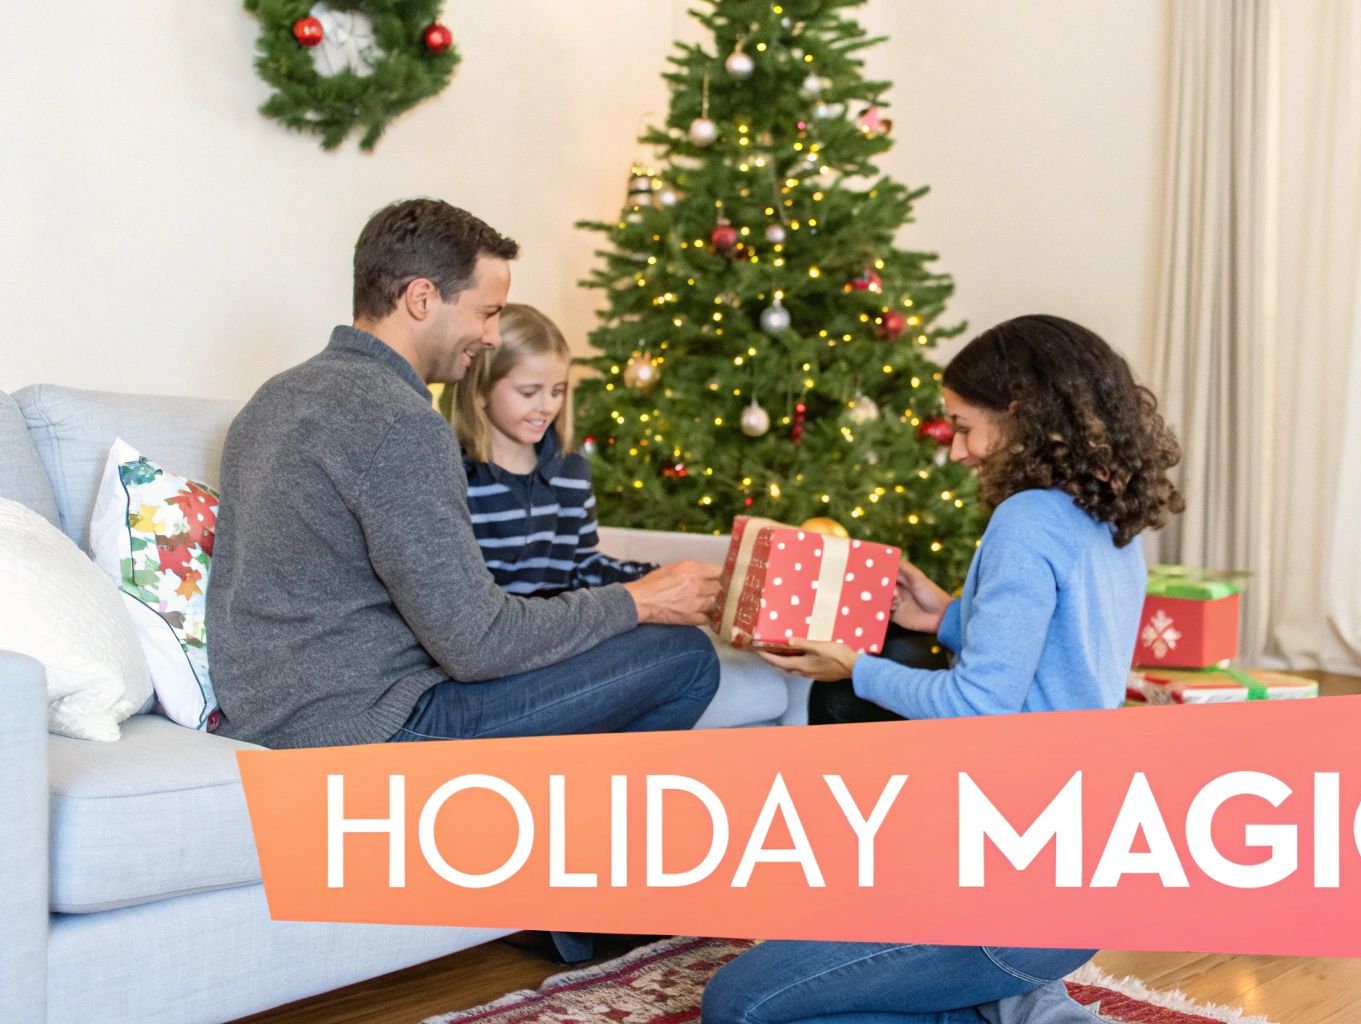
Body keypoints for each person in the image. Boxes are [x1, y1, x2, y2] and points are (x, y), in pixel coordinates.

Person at [701, 314, 1185, 1024]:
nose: (955, 449)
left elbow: (980, 703)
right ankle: (1013, 1001)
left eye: (963, 426)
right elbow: (1066, 653)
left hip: (1017, 894)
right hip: (1084, 874)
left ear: (1021, 417)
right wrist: (945, 617)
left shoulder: (1023, 520)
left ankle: (1007, 994)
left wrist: (853, 666)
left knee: (739, 1005)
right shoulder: (1103, 513)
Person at [208, 198, 725, 752]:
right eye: (486, 311)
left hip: (276, 714)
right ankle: (553, 829)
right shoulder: (399, 421)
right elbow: (478, 642)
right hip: (366, 722)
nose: (495, 336)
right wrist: (641, 601)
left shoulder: (275, 396)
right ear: (421, 298)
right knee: (687, 659)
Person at [448, 303, 656, 595]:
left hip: (564, 630)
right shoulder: (457, 476)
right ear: (481, 390)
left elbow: (582, 566)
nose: (546, 406)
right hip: (495, 632)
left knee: (686, 638)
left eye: (557, 391)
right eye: (529, 392)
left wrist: (650, 579)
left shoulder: (572, 470)